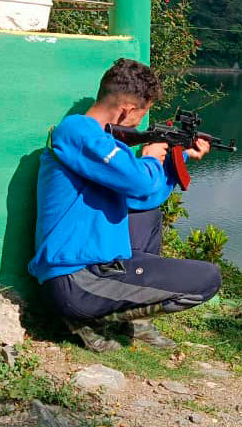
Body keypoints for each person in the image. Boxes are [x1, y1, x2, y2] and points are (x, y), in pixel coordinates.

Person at [28, 58, 221, 352]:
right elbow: (141, 182)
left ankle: (134, 321)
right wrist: (150, 156)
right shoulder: (77, 131)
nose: (140, 123)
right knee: (208, 279)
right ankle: (85, 319)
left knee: (147, 213)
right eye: (141, 115)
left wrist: (177, 158)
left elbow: (144, 196)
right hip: (76, 279)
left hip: (99, 267)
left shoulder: (98, 143)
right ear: (126, 110)